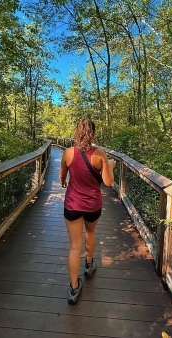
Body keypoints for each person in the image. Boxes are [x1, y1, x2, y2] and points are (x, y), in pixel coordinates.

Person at [59, 118, 116, 305]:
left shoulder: (68, 153)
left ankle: (74, 288)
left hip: (72, 205)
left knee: (74, 246)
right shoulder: (100, 155)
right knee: (90, 232)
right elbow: (108, 182)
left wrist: (64, 182)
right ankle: (89, 264)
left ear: (77, 132)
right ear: (93, 133)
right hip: (92, 205)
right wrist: (109, 166)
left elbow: (62, 175)